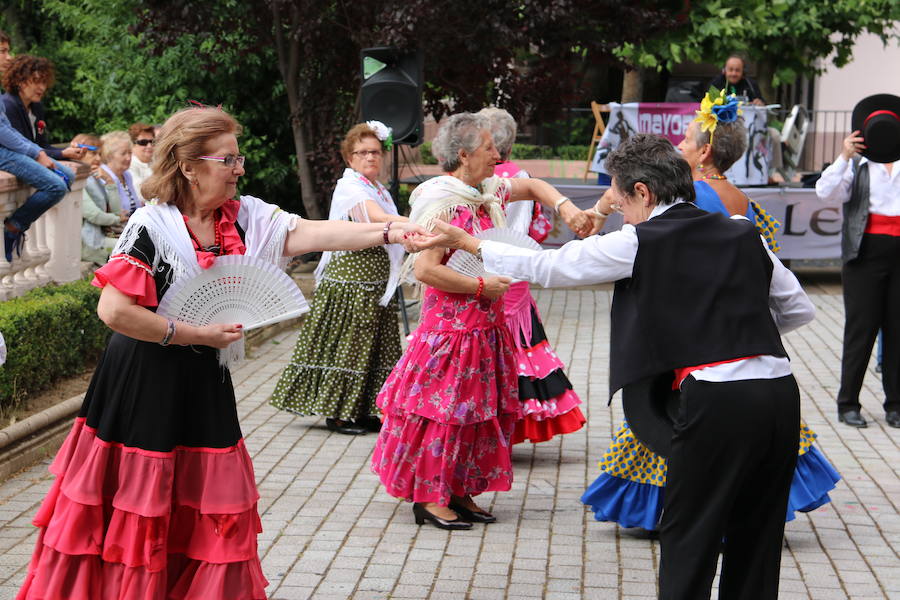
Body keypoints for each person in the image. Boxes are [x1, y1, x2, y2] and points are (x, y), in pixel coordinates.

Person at [15, 105, 434, 599]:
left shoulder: (245, 217)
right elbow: (114, 311)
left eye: (238, 160)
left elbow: (312, 232)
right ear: (189, 165)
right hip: (143, 379)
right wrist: (195, 334)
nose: (239, 170)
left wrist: (393, 231)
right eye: (228, 160)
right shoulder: (152, 225)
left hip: (203, 377)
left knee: (209, 503)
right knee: (139, 503)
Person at [432, 133, 815, 598]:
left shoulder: (641, 241)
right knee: (758, 529)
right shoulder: (740, 230)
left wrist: (471, 242)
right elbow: (797, 309)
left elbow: (553, 268)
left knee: (691, 530)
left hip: (716, 398)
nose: (620, 210)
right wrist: (737, 333)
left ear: (644, 193)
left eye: (620, 197)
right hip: (779, 392)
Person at [582, 95, 839, 535]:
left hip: (692, 341)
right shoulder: (741, 200)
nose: (679, 144)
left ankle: (686, 514)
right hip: (740, 341)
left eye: (685, 139)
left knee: (676, 429)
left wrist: (601, 211)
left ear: (704, 152)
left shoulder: (691, 198)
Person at [370, 112, 592, 530]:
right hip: (451, 332)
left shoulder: (484, 191)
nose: (498, 154)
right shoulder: (441, 201)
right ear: (464, 154)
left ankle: (459, 489)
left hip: (485, 328)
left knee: (477, 414)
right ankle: (431, 497)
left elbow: (530, 184)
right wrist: (477, 287)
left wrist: (563, 204)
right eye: (490, 148)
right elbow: (425, 271)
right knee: (445, 414)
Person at [269, 121, 406, 435]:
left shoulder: (378, 188)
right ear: (350, 158)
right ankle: (339, 413)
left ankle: (368, 409)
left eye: (375, 152)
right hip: (351, 283)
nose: (370, 157)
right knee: (351, 344)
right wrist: (419, 222)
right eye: (362, 152)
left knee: (376, 345)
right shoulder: (351, 187)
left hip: (374, 281)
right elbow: (377, 219)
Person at [479, 107, 585, 443]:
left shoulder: (508, 179)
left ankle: (493, 423)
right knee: (515, 354)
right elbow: (525, 228)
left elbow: (517, 227)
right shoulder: (515, 175)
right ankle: (508, 422)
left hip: (494, 269)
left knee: (495, 352)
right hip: (512, 271)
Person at [815, 93, 900, 429]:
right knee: (861, 331)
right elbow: (826, 193)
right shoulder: (857, 165)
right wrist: (843, 156)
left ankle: (895, 403)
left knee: (897, 331)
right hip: (864, 254)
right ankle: (848, 402)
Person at [0, 39, 72, 263]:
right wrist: (36, 153)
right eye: (3, 51)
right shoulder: (10, 102)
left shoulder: (35, 107)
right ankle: (14, 226)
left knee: (68, 176)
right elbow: (3, 131)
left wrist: (41, 152)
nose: (9, 57)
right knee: (55, 186)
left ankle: (17, 224)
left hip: (10, 149)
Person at [1, 55, 85, 163]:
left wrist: (68, 151)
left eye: (44, 82)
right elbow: (23, 149)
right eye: (37, 81)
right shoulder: (8, 106)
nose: (42, 88)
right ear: (19, 81)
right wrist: (62, 153)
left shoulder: (36, 106)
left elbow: (42, 145)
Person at [81, 131, 139, 265]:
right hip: (94, 239)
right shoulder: (88, 180)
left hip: (113, 231)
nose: (97, 158)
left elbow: (117, 210)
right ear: (109, 155)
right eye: (123, 153)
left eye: (98, 154)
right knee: (137, 247)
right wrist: (117, 218)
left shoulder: (106, 176)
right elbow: (95, 215)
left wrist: (110, 183)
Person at [128, 121, 155, 198]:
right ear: (132, 144)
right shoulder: (128, 165)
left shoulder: (159, 162)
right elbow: (140, 195)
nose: (149, 146)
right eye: (143, 142)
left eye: (152, 142)